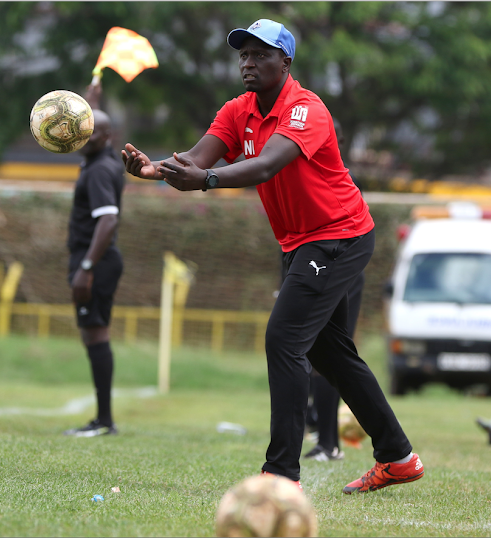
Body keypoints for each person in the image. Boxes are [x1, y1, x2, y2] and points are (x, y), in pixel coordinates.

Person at [122, 18, 423, 493]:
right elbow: (196, 161)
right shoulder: (237, 110)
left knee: (284, 339)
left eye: (260, 54)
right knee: (332, 353)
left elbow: (266, 165)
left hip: (339, 235)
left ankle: (281, 475)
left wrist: (209, 182)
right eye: (243, 54)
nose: (248, 62)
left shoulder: (306, 109)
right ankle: (398, 456)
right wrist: (155, 169)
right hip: (301, 242)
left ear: (285, 62)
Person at [63, 82, 125, 437]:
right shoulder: (99, 155)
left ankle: (104, 421)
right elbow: (97, 124)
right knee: (91, 335)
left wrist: (86, 269)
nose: (79, 137)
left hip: (95, 261)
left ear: (105, 137)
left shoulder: (100, 168)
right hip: (93, 259)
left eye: (87, 133)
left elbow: (108, 219)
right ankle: (103, 419)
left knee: (96, 333)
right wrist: (91, 104)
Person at [303, 118, 364, 463]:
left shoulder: (339, 178)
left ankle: (329, 443)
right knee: (309, 353)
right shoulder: (302, 172)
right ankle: (319, 432)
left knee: (329, 356)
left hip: (341, 273)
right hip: (311, 270)